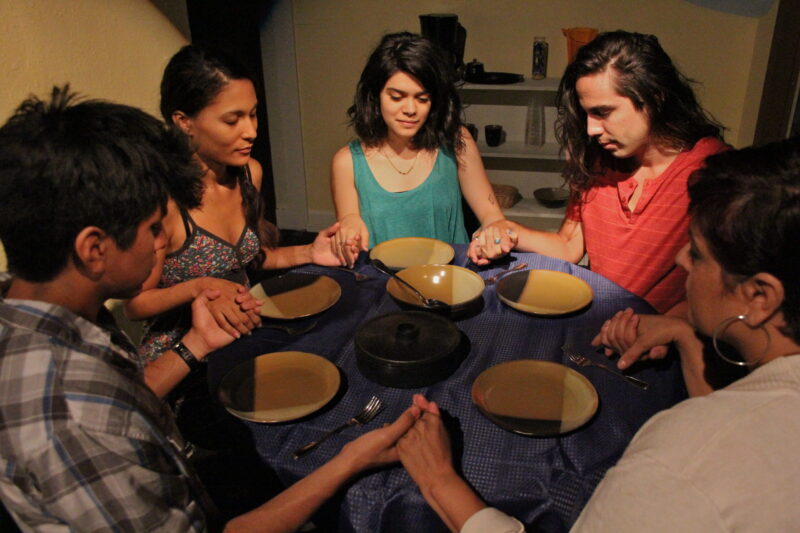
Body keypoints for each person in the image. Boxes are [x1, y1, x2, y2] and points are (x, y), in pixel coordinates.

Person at [0, 86, 424, 532]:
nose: (163, 242)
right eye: (151, 229)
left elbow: (130, 396)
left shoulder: (33, 306)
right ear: (93, 248)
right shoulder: (80, 428)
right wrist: (346, 463)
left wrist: (196, 343)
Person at [396, 137, 800, 532]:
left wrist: (439, 482)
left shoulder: (677, 459)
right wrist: (680, 329)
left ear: (759, 296)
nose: (681, 259)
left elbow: (720, 441)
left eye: (695, 252)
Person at [471, 30, 727, 316]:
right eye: (587, 115)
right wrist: (509, 230)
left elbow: (729, 288)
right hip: (598, 323)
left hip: (661, 339)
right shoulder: (599, 162)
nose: (591, 129)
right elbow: (569, 246)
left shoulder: (713, 171)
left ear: (654, 97)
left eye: (603, 112)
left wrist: (669, 325)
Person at [124, 45, 352, 363]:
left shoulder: (248, 175)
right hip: (182, 356)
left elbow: (246, 261)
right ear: (184, 122)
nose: (252, 131)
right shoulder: (164, 200)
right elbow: (136, 304)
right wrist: (198, 288)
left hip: (241, 337)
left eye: (253, 114)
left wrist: (309, 252)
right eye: (233, 120)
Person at [330, 31, 515, 266]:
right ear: (375, 97)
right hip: (382, 286)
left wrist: (495, 231)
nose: (410, 109)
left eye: (422, 98)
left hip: (448, 282)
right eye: (396, 97)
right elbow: (348, 222)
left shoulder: (456, 142)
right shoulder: (347, 162)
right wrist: (348, 228)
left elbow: (492, 217)